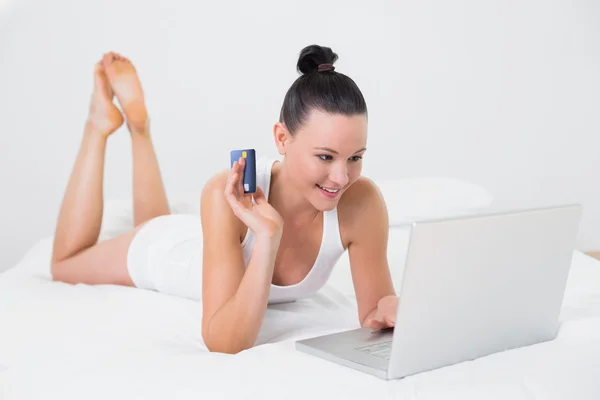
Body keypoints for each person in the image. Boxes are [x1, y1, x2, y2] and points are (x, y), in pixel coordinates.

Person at [50, 44, 399, 354]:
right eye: (325, 157)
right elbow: (225, 342)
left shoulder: (362, 202)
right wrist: (266, 238)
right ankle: (98, 124)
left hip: (204, 238)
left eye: (355, 157)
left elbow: (374, 312)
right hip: (173, 256)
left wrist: (398, 311)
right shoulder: (226, 193)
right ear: (282, 138)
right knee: (66, 263)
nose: (341, 178)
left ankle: (139, 128)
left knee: (156, 220)